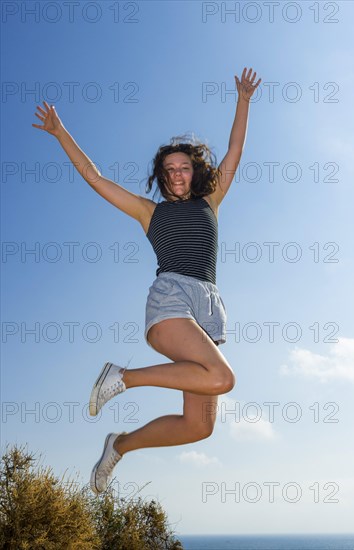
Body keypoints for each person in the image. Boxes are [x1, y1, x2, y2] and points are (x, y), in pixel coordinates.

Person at [32, 66, 261, 494]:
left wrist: (243, 100)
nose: (177, 174)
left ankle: (119, 445)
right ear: (161, 176)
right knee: (223, 379)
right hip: (171, 296)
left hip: (209, 309)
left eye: (184, 167)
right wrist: (61, 132)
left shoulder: (212, 201)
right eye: (169, 169)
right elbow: (95, 178)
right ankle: (121, 377)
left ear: (195, 172)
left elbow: (234, 150)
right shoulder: (148, 212)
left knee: (198, 427)